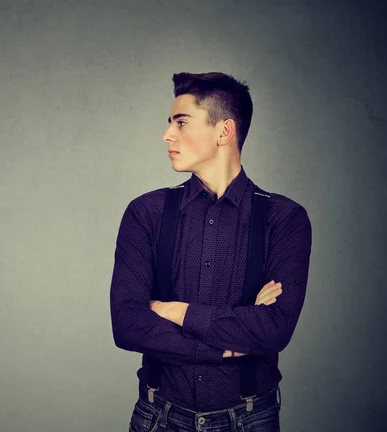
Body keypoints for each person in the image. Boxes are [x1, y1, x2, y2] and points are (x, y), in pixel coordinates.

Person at [109, 72, 312, 431]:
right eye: (169, 123)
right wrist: (223, 345)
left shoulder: (284, 219)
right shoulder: (146, 213)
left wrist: (170, 310)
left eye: (181, 122)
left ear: (224, 132)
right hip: (159, 417)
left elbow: (275, 330)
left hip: (250, 419)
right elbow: (127, 325)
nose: (167, 135)